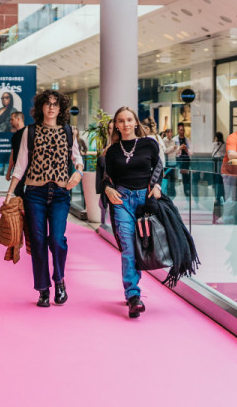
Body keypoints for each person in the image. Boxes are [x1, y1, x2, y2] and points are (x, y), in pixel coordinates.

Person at [7, 90, 83, 308]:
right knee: (38, 242)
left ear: (61, 109)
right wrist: (10, 193)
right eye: (48, 103)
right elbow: (20, 165)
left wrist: (78, 172)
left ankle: (59, 280)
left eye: (55, 104)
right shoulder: (29, 132)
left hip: (60, 194)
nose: (51, 107)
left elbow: (78, 159)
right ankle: (42, 289)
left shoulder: (68, 132)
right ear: (41, 107)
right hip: (35, 195)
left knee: (57, 240)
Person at [101, 106, 164, 318]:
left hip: (144, 201)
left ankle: (133, 290)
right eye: (121, 120)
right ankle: (133, 295)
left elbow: (159, 168)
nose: (126, 124)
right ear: (116, 125)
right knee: (128, 248)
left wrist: (157, 185)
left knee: (142, 246)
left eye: (129, 119)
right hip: (121, 201)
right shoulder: (112, 151)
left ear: (135, 122)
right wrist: (108, 190)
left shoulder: (149, 144)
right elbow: (106, 178)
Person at [6, 112, 26, 198]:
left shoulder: (27, 132)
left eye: (12, 119)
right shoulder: (15, 136)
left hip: (27, 168)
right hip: (17, 168)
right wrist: (9, 171)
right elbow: (13, 154)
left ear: (18, 119)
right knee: (17, 190)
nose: (10, 121)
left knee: (21, 190)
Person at [173, 122, 192, 198]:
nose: (182, 132)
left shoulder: (187, 140)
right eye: (181, 130)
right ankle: (178, 192)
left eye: (183, 130)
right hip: (179, 159)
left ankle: (187, 191)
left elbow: (191, 151)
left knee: (185, 176)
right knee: (179, 176)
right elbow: (173, 151)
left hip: (186, 159)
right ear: (178, 130)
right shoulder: (174, 140)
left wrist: (186, 149)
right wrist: (180, 148)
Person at [161, 128, 177, 197]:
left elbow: (175, 151)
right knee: (166, 179)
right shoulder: (164, 141)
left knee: (173, 179)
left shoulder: (173, 140)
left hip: (173, 163)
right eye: (169, 132)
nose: (170, 134)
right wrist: (172, 148)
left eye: (171, 132)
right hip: (167, 163)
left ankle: (172, 194)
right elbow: (165, 151)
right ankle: (165, 194)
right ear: (166, 133)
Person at [211, 131, 226, 207]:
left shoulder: (214, 144)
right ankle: (222, 197)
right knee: (222, 180)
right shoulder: (225, 144)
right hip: (222, 164)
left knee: (217, 180)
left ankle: (217, 197)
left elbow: (212, 152)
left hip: (216, 163)